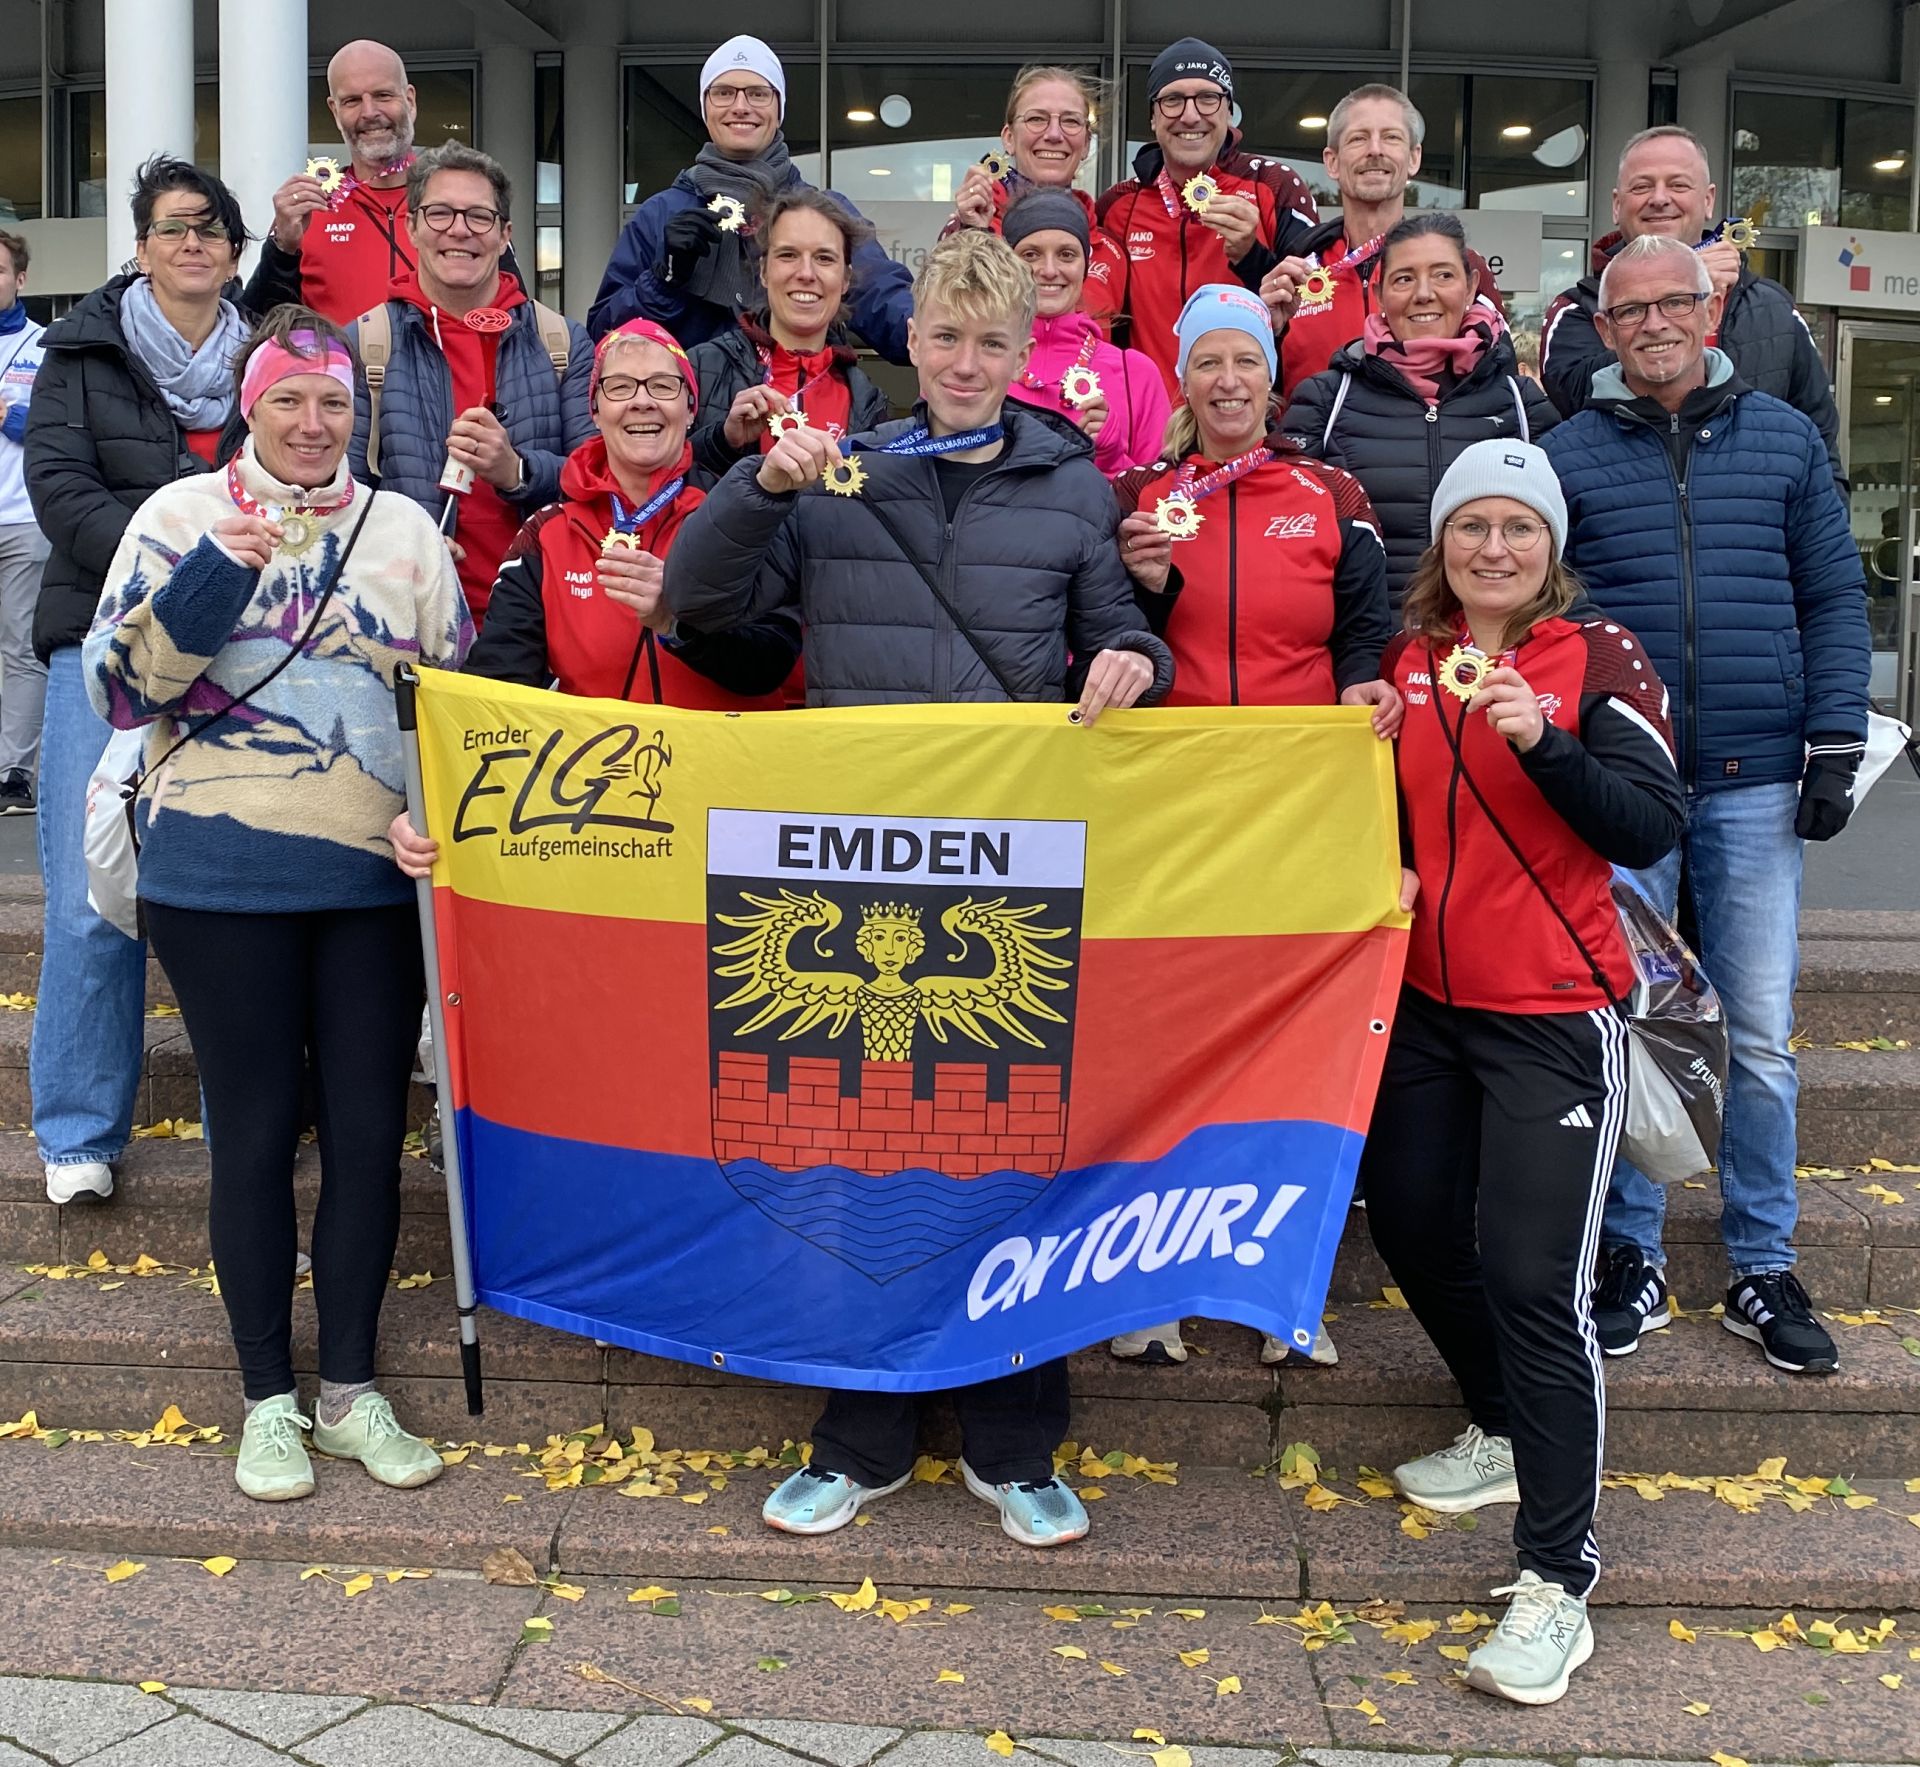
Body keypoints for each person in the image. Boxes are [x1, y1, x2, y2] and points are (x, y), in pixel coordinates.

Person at [664, 230, 1172, 1545]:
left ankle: (1016, 1441)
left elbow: (1122, 627)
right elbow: (698, 607)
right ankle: (859, 1433)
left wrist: (1130, 661)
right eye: (943, 337)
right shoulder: (840, 469)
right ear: (912, 345)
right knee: (851, 1150)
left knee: (1012, 1146)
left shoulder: (1069, 484)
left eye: (989, 343)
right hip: (856, 856)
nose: (963, 361)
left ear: (1020, 354)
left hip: (1009, 860)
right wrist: (756, 488)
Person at [83, 308, 470, 1502]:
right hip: (216, 880)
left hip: (369, 880)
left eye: (334, 405)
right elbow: (115, 691)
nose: (313, 425)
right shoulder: (177, 518)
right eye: (289, 402)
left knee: (366, 1136)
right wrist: (213, 580)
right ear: (249, 408)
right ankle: (265, 1402)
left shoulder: (403, 529)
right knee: (249, 1140)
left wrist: (433, 812)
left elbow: (449, 698)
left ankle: (350, 1391)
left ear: (358, 415)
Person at [1367, 439, 1683, 1706]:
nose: (1492, 548)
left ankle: (1558, 1579)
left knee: (1532, 1278)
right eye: (1470, 527)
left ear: (1550, 548)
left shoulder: (1594, 658)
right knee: (1408, 1219)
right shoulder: (1408, 662)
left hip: (1555, 1014)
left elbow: (1650, 824)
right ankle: (1499, 1421)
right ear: (1441, 544)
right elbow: (1413, 814)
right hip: (1431, 1006)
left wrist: (1548, 740)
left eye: (1518, 528)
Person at [1541, 234, 1872, 1374]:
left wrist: (1835, 739)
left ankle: (1761, 1262)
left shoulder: (1782, 440)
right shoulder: (1568, 452)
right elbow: (1548, 619)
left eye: (1671, 304)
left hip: (1758, 781)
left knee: (1764, 1040)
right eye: (1627, 311)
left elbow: (1833, 594)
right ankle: (1628, 1252)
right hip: (1631, 795)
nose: (1651, 325)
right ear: (1605, 325)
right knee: (1634, 1025)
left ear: (1709, 311)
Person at [1106, 281, 1394, 1369]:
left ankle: (1285, 1287)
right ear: (1179, 378)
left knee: (1296, 1046)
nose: (1228, 382)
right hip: (1174, 810)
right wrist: (1141, 590)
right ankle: (1145, 1287)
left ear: (1274, 378)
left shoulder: (1329, 492)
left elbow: (1365, 629)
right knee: (1171, 1038)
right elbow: (1110, 645)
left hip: (1297, 811)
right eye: (1207, 362)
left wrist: (1367, 686)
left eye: (1247, 362)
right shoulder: (1143, 496)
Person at [25, 155, 252, 1208]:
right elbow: (60, 489)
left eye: (210, 227)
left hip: (240, 655)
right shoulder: (79, 350)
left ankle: (236, 1128)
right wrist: (181, 557)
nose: (192, 243)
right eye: (172, 227)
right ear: (141, 245)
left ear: (234, 246)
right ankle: (78, 1129)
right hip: (100, 641)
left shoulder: (275, 348)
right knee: (87, 899)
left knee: (224, 897)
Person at [347, 141, 594, 629]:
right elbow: (338, 493)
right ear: (412, 226)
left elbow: (597, 480)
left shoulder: (562, 343)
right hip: (407, 617)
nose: (459, 229)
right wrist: (404, 542)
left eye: (479, 217)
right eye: (439, 213)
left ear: (505, 236)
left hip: (538, 623)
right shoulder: (364, 343)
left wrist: (516, 471)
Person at [1539, 126, 1843, 491]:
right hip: (1624, 530)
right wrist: (1684, 292)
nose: (1660, 198)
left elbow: (1822, 449)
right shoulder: (1575, 309)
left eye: (1679, 185)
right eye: (1642, 187)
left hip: (1751, 534)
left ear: (1708, 200)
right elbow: (1570, 399)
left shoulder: (1774, 308)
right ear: (1617, 204)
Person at [1283, 213, 1557, 611]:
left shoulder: (1522, 404)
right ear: (1379, 292)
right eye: (1404, 278)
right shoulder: (1326, 400)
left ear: (1471, 288)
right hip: (1367, 656)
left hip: (1490, 654)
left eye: (1443, 275)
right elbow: (1291, 542)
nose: (1423, 293)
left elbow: (1558, 548)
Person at [588, 35, 913, 362]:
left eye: (758, 94)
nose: (740, 107)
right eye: (723, 93)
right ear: (705, 107)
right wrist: (664, 281)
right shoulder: (659, 214)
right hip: (693, 409)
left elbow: (889, 312)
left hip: (799, 408)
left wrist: (946, 328)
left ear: (779, 107)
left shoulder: (825, 214)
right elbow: (605, 339)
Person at [1094, 37, 1319, 393]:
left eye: (1207, 98)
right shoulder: (1118, 205)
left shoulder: (1275, 185)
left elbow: (1313, 308)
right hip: (1150, 426)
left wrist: (1251, 257)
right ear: (1153, 117)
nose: (1190, 115)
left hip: (1241, 416)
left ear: (1229, 111)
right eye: (1172, 100)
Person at [1259, 84, 1503, 400]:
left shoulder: (1460, 265)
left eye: (1391, 137)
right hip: (1309, 446)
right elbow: (1264, 394)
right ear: (1331, 162)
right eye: (1358, 138)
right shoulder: (1295, 270)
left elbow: (1494, 381)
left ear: (1414, 158)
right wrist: (1267, 331)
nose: (1375, 150)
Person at [686, 188, 891, 482]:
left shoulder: (869, 401)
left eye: (824, 258)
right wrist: (723, 442)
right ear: (763, 272)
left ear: (845, 280)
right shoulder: (699, 370)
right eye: (788, 255)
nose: (806, 273)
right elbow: (658, 483)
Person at [245, 40, 421, 326]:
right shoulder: (309, 211)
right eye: (352, 100)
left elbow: (510, 316)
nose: (369, 112)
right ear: (335, 111)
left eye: (383, 95)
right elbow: (256, 327)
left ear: (409, 100)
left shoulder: (457, 201)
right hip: (338, 371)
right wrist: (282, 251)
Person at [943, 65, 1127, 333]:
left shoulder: (1110, 251)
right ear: (1008, 138)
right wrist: (971, 234)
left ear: (1087, 143)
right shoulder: (971, 230)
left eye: (1071, 121)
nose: (1054, 134)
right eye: (1037, 119)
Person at [1003, 190, 1169, 476]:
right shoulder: (976, 362)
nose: (1049, 270)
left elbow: (1158, 498)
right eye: (1031, 255)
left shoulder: (1136, 373)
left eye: (1066, 255)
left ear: (1085, 266)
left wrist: (1111, 457)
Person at [0, 228, 49, 813]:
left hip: (23, 520)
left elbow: (59, 425)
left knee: (19, 650)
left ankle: (14, 772)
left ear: (20, 279)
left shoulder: (46, 346)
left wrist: (11, 414)